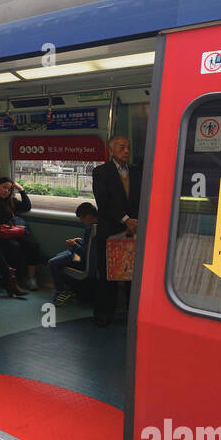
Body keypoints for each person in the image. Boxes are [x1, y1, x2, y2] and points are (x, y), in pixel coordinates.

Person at [91, 135, 143, 326]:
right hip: (110, 231)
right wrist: (126, 220)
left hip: (134, 231)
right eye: (122, 148)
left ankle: (133, 315)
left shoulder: (137, 172)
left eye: (128, 147)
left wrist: (135, 222)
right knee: (107, 276)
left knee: (134, 277)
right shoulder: (101, 172)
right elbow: (104, 202)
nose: (127, 151)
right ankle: (104, 315)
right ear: (111, 150)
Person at [0, 179, 44, 288]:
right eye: (4, 187)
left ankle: (31, 277)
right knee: (13, 246)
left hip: (12, 230)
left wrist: (21, 190)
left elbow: (27, 206)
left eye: (9, 189)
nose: (6, 191)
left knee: (32, 244)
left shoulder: (10, 201)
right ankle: (11, 278)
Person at [48, 202, 100, 305]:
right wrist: (80, 241)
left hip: (80, 259)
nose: (82, 222)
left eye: (82, 219)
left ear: (88, 217)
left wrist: (73, 245)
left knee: (53, 263)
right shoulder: (98, 226)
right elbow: (88, 246)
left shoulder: (90, 229)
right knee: (59, 258)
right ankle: (68, 288)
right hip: (80, 256)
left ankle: (61, 290)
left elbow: (85, 253)